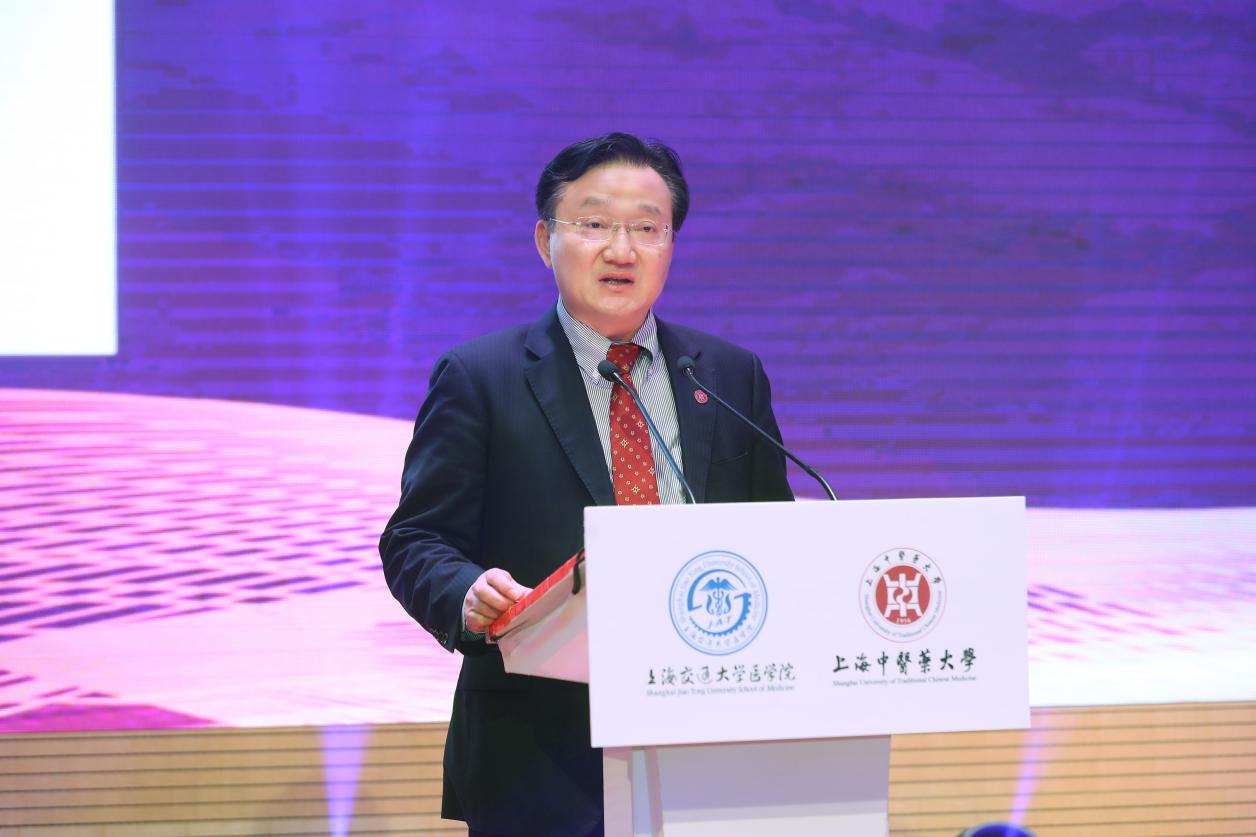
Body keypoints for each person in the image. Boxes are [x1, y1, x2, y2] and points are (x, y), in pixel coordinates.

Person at [379, 132, 794, 836]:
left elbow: (776, 538)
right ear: (546, 241)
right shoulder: (480, 377)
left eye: (647, 228)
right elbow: (415, 539)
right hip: (541, 753)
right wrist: (467, 594)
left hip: (713, 734)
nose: (622, 249)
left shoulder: (728, 375)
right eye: (595, 223)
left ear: (671, 244)